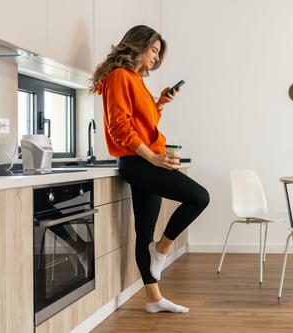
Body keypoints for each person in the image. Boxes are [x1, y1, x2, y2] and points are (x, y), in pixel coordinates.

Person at [89, 25, 210, 314]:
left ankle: (153, 299)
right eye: (154, 50)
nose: (156, 58)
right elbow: (119, 127)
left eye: (158, 53)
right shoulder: (119, 76)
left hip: (144, 159)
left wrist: (159, 103)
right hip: (138, 162)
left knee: (144, 232)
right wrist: (153, 158)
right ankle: (162, 250)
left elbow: (145, 122)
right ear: (138, 45)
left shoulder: (135, 79)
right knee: (199, 197)